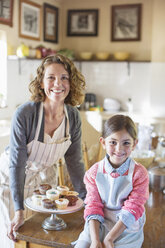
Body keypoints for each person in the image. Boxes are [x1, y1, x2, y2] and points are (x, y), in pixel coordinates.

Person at [0, 54, 86, 248]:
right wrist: (19, 210)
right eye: (51, 77)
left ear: (71, 83)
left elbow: (75, 162)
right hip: (10, 182)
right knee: (14, 237)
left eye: (64, 77)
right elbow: (17, 164)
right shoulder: (26, 114)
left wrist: (88, 201)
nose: (58, 83)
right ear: (41, 82)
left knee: (44, 236)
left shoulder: (72, 117)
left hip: (44, 182)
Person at [75, 114, 149, 248]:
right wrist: (95, 240)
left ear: (134, 144)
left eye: (126, 143)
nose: (119, 149)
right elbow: (93, 205)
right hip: (99, 222)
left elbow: (133, 209)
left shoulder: (139, 173)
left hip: (126, 227)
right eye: (113, 142)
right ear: (103, 142)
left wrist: (109, 239)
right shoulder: (93, 173)